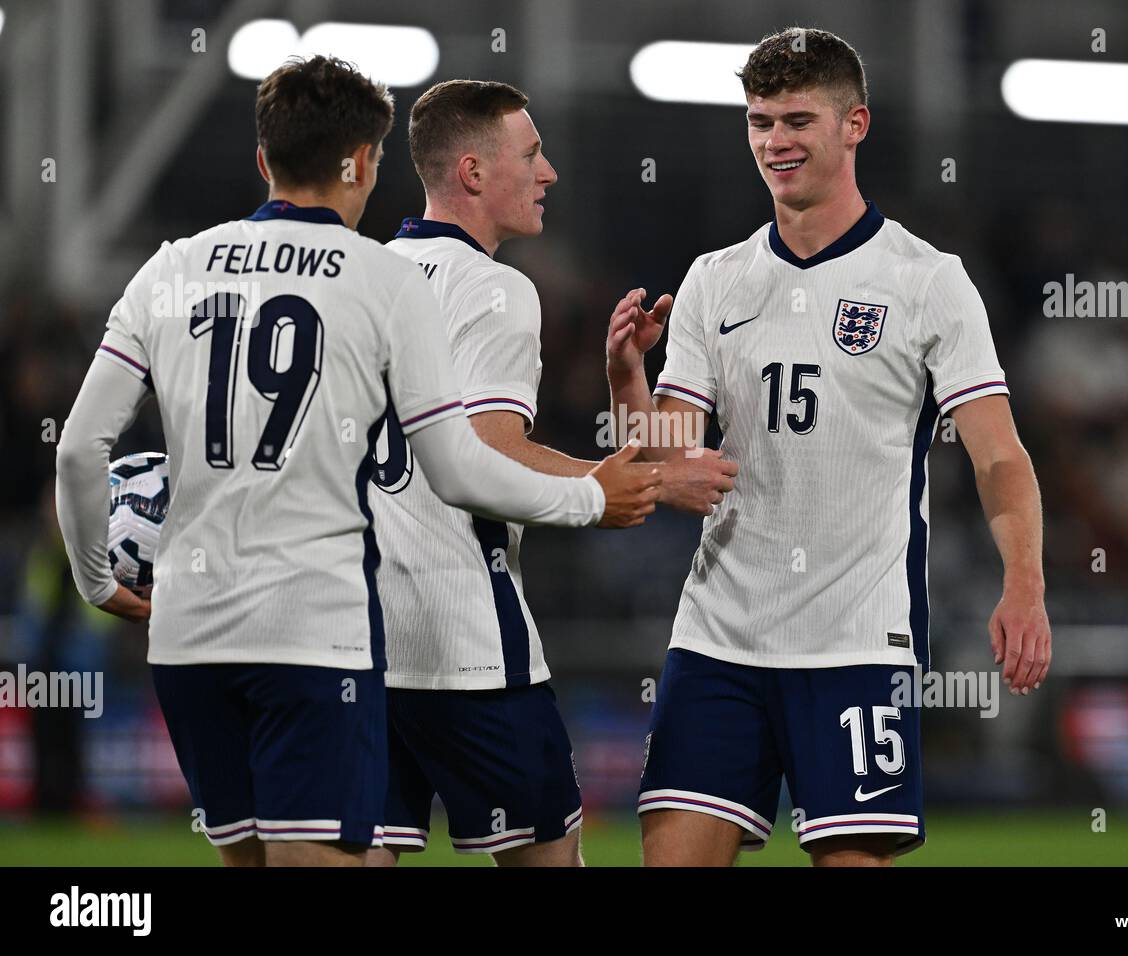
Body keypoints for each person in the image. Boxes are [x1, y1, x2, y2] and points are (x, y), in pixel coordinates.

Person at [54, 56, 657, 868]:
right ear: (366, 162)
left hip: (192, 637)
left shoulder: (169, 267)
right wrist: (592, 497)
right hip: (320, 634)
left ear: (264, 160)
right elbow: (460, 467)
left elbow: (81, 447)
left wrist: (98, 581)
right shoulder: (379, 281)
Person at [605, 28, 1052, 866]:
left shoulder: (926, 280)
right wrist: (628, 378)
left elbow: (999, 456)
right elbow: (666, 462)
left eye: (798, 120)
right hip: (718, 638)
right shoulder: (715, 278)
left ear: (856, 125)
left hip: (856, 642)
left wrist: (1023, 583)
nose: (775, 142)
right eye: (760, 121)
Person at [367, 79, 736, 868]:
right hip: (465, 638)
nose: (550, 173)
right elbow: (488, 450)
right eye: (530, 154)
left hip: (355, 642)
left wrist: (623, 384)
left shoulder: (364, 280)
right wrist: (622, 489)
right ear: (472, 172)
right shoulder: (498, 291)